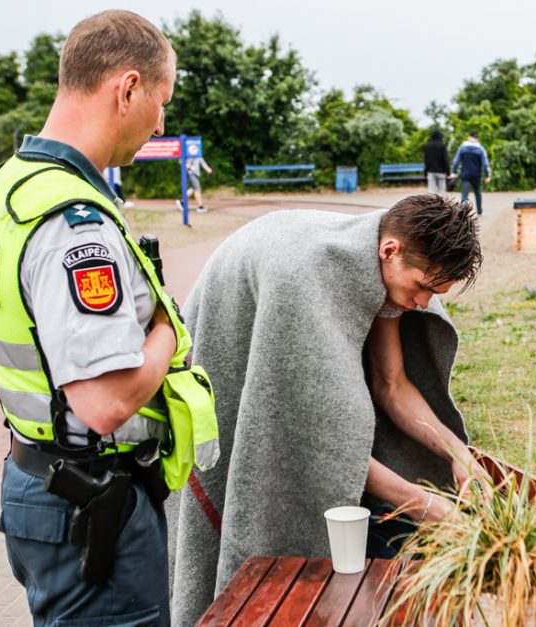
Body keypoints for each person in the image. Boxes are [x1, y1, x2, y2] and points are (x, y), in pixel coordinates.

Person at [0, 10, 217, 626]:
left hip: (36, 484)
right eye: (161, 101)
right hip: (94, 500)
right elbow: (102, 403)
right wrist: (166, 333)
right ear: (127, 88)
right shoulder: (75, 222)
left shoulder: (1, 191)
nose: (160, 121)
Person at [169, 194, 487, 626]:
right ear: (389, 250)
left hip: (287, 286)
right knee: (268, 544)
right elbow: (314, 439)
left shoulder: (383, 267)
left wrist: (459, 455)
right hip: (233, 352)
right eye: (423, 287)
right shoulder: (307, 279)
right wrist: (423, 503)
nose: (425, 303)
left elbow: (390, 384)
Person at [452, 130, 491, 215]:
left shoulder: (462, 147)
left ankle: (463, 212)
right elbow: (485, 164)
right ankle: (479, 210)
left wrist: (454, 173)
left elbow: (456, 162)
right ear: (477, 138)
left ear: (469, 137)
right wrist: (487, 175)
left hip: (465, 175)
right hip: (476, 175)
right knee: (478, 193)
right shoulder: (481, 149)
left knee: (465, 194)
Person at [423, 128, 451, 194]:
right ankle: (441, 204)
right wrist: (448, 172)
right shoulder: (442, 146)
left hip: (431, 171)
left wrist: (425, 171)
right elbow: (445, 160)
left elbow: (426, 160)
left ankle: (432, 204)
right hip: (441, 172)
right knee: (441, 192)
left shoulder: (427, 146)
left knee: (431, 192)